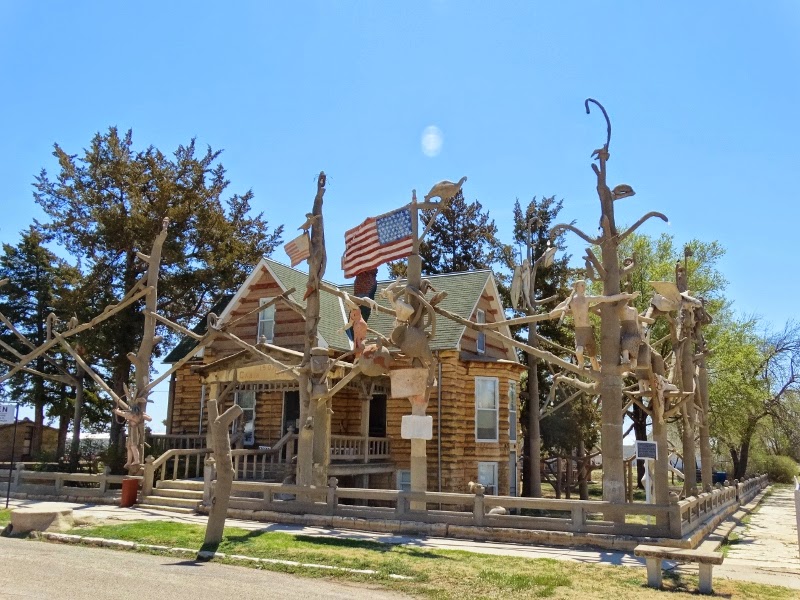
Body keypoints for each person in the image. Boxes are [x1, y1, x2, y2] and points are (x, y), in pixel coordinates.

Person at [550, 280, 638, 370]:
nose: (584, 287)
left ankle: (596, 371)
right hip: (579, 331)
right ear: (576, 287)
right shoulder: (569, 301)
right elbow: (551, 314)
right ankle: (581, 363)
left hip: (588, 330)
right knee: (579, 351)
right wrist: (562, 309)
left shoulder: (587, 298)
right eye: (582, 285)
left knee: (592, 356)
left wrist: (628, 296)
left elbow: (607, 298)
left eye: (584, 285)